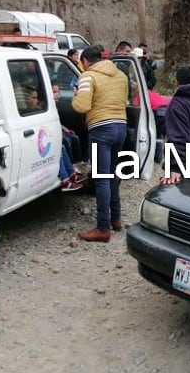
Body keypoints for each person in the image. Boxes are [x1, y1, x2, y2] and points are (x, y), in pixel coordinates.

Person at [72, 44, 129, 242]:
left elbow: (82, 106)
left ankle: (102, 228)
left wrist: (76, 95)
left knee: (101, 177)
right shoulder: (121, 76)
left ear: (86, 61)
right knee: (112, 174)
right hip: (120, 128)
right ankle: (116, 218)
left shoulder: (88, 76)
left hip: (101, 130)